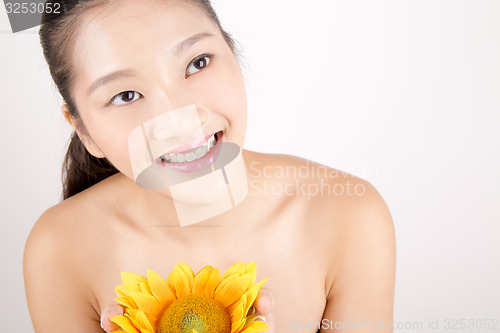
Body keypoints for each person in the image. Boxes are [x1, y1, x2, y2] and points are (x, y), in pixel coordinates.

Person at [23, 0, 396, 332]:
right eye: (126, 95)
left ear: (232, 52)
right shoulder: (59, 250)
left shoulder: (349, 216)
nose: (178, 120)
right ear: (84, 130)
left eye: (197, 63)